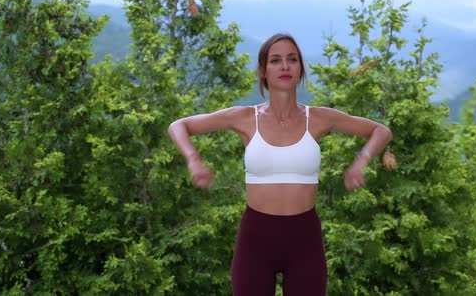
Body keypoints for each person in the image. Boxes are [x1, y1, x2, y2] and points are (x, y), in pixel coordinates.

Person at [168, 33, 393, 296]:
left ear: (300, 69)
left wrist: (361, 161)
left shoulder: (319, 118)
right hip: (255, 240)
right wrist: (194, 160)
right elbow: (178, 126)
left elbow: (381, 130)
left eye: (292, 59)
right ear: (263, 71)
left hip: (305, 240)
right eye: (275, 60)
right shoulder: (243, 117)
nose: (285, 66)